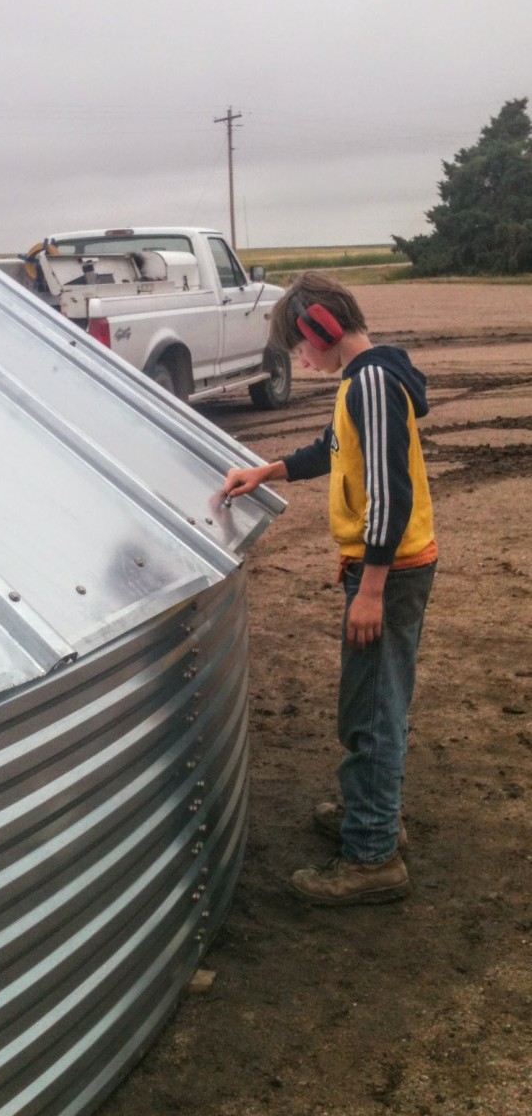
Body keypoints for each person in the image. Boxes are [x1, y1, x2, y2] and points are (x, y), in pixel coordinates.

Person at [222, 271, 437, 906]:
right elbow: (335, 447)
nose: (301, 359)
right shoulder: (369, 379)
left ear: (322, 328)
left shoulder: (368, 381)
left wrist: (370, 587)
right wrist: (271, 468)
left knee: (369, 712)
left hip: (388, 574)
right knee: (377, 702)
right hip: (394, 568)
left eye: (300, 345)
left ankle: (372, 856)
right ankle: (374, 813)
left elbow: (388, 495)